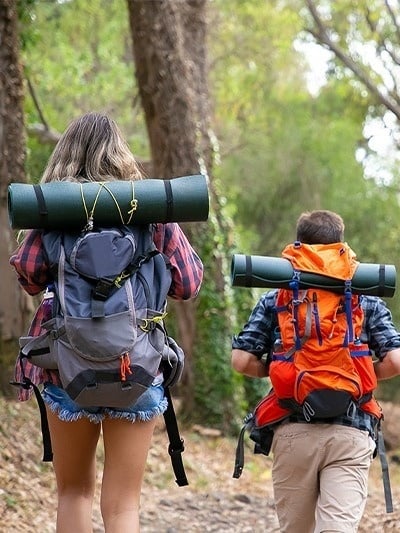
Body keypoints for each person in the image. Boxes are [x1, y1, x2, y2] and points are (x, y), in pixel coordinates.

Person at [10, 112, 204, 533]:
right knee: (123, 505)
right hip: (137, 365)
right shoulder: (151, 212)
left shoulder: (55, 214)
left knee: (73, 492)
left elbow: (27, 275)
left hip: (66, 369)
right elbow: (188, 283)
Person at [231, 210, 400, 533]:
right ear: (340, 243)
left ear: (299, 244)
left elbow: (241, 360)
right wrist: (354, 373)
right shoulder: (364, 298)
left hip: (294, 428)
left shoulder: (277, 297)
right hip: (351, 430)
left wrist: (284, 369)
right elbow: (395, 361)